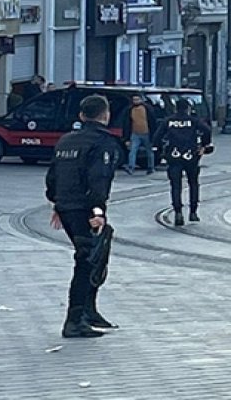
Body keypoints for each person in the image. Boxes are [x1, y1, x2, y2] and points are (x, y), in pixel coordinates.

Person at [45, 95, 122, 339]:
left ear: (81, 115)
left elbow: (52, 177)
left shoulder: (66, 140)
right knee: (88, 259)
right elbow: (99, 180)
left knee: (92, 256)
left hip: (66, 207)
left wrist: (57, 204)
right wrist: (98, 212)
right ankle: (75, 319)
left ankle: (88, 311)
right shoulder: (102, 143)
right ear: (105, 115)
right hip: (85, 209)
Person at [154, 99, 214, 226]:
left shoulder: (169, 121)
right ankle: (193, 212)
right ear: (188, 108)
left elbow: (157, 137)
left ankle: (178, 212)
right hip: (191, 156)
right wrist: (204, 145)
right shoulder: (193, 121)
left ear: (176, 108)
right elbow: (207, 130)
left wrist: (160, 151)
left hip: (174, 156)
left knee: (176, 186)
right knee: (193, 183)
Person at [119, 95, 156, 175]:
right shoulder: (129, 110)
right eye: (134, 99)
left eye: (137, 99)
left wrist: (153, 135)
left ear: (141, 100)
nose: (135, 101)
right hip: (135, 133)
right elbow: (126, 124)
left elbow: (152, 122)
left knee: (149, 152)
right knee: (132, 151)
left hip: (146, 133)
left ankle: (151, 167)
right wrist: (126, 137)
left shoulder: (147, 109)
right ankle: (131, 167)